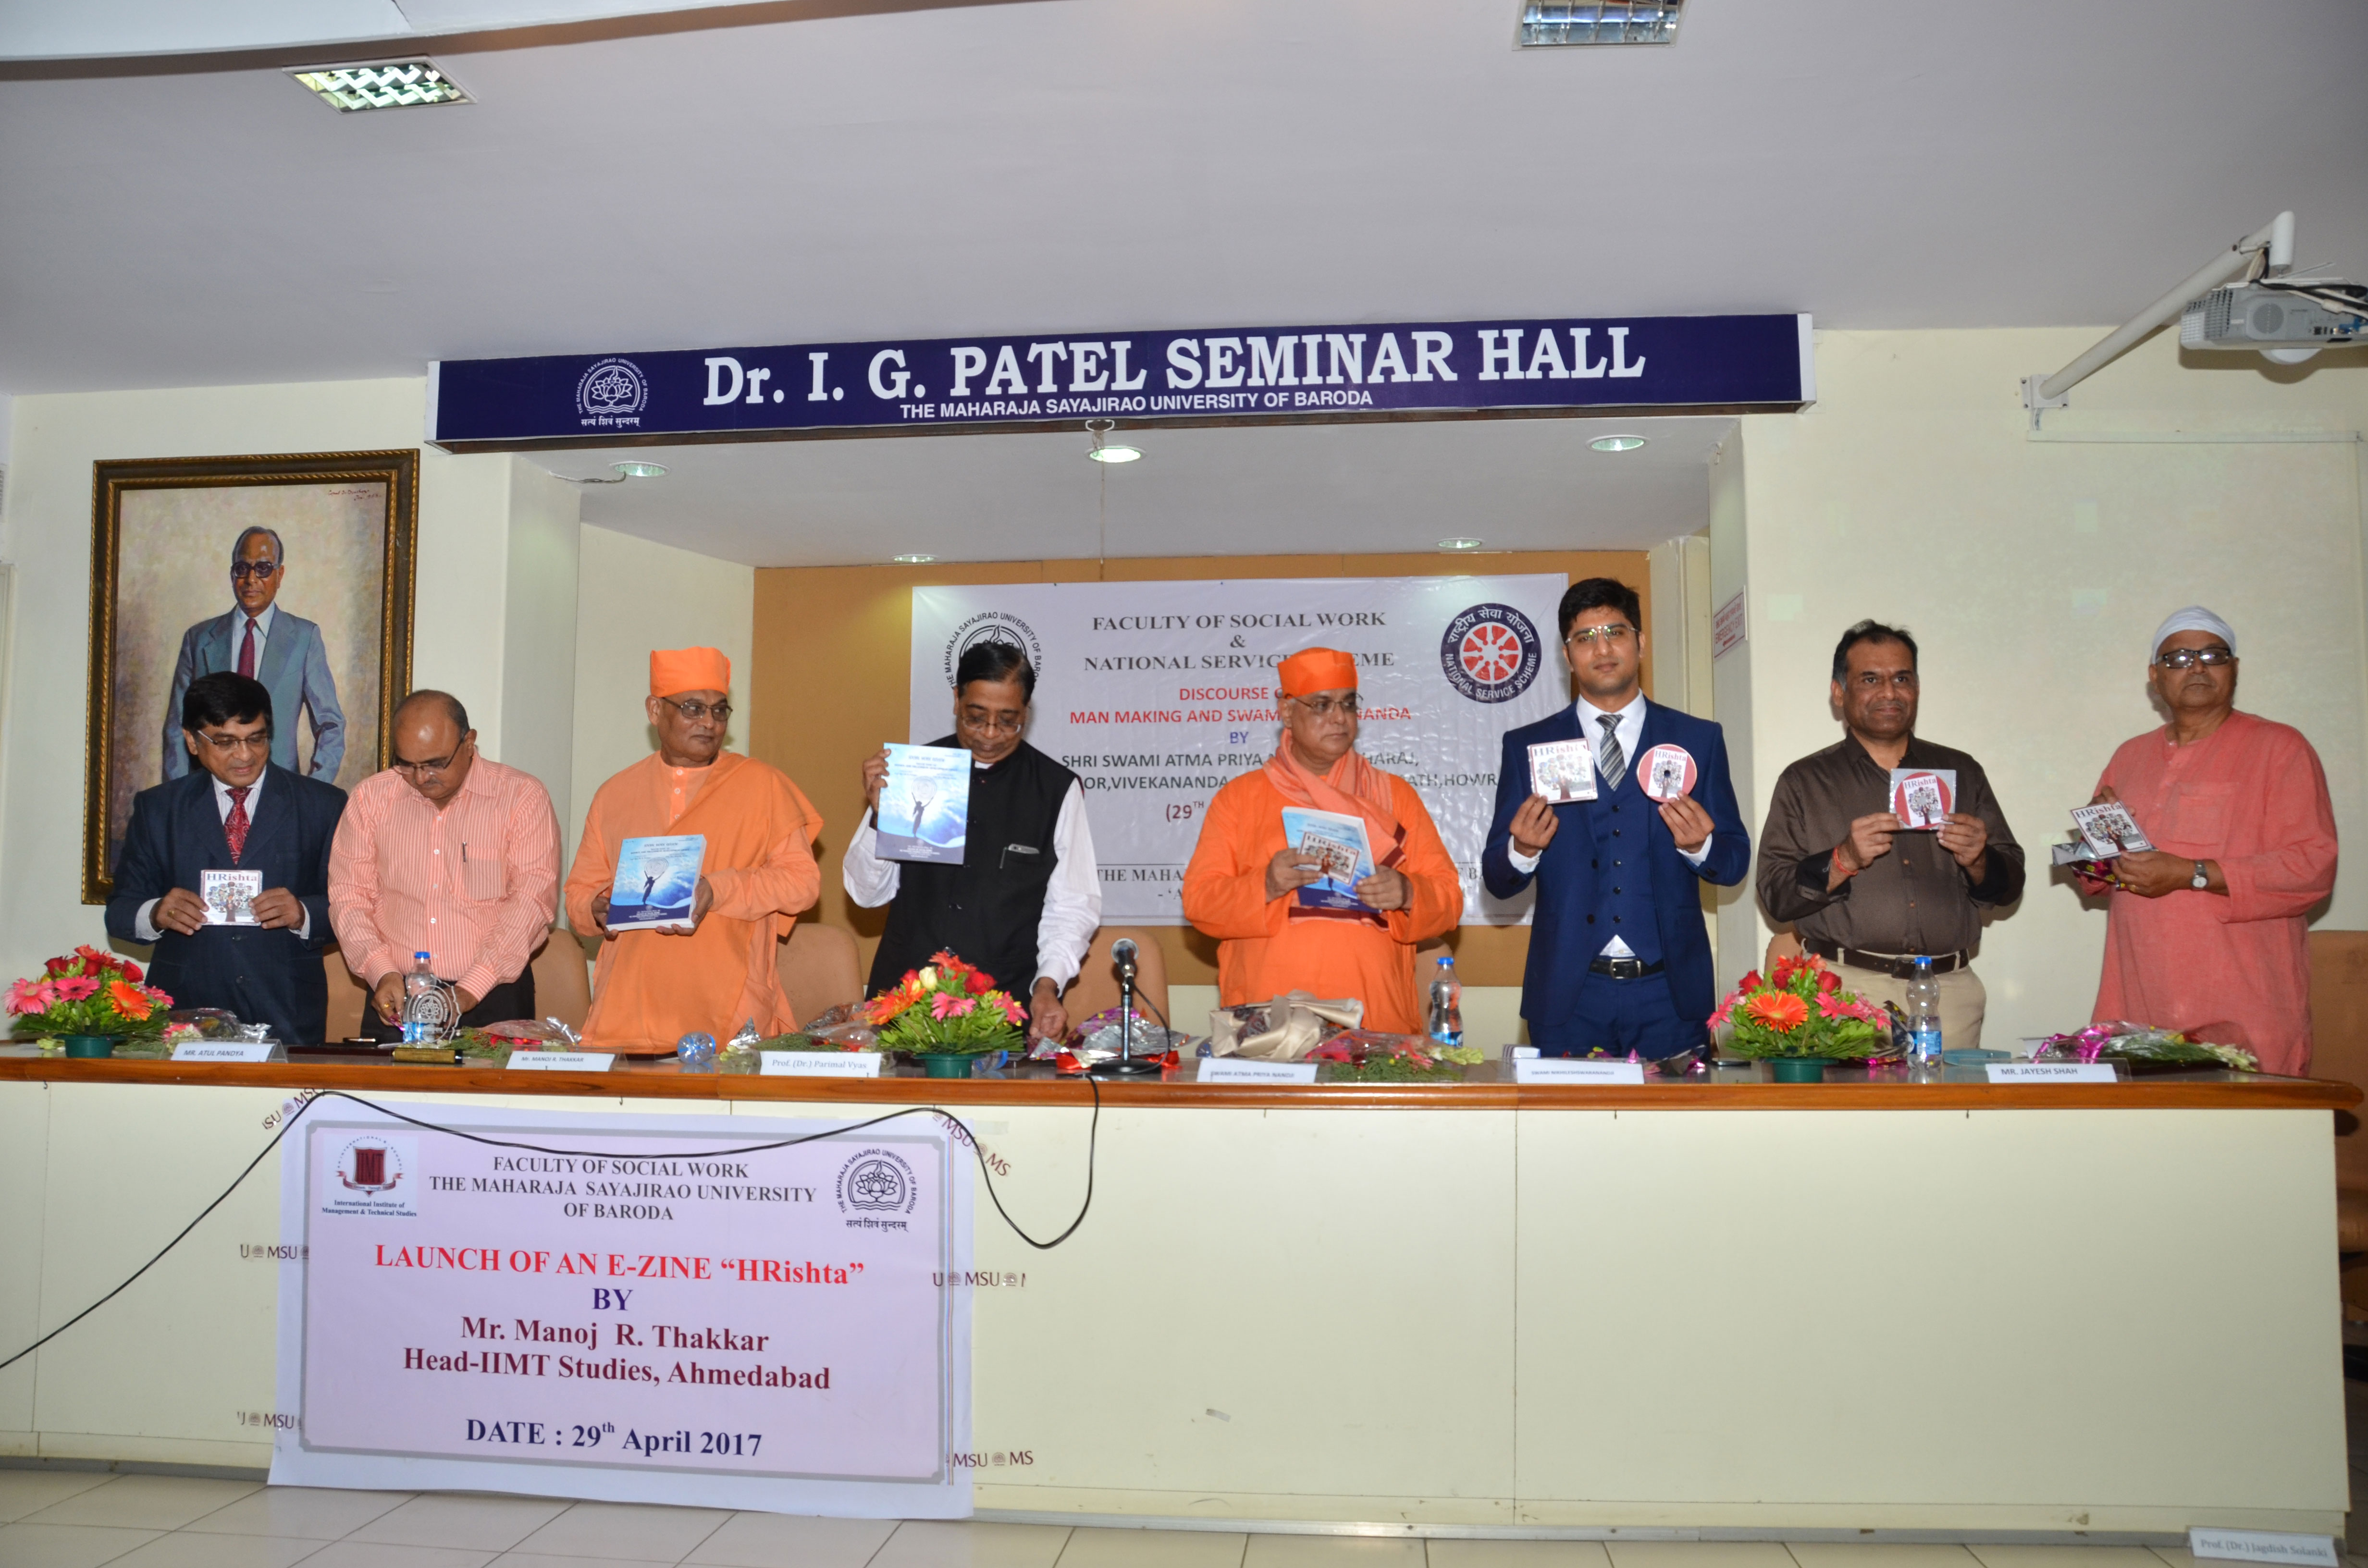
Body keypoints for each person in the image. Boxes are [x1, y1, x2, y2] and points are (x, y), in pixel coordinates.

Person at [1481, 578, 1750, 1057]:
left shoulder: (1697, 739)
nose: (1601, 649)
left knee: (1676, 1112)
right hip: (1569, 996)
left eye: (1615, 633)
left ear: (1640, 643)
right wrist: (1521, 851)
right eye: (1584, 638)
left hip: (1670, 996)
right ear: (1568, 656)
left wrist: (1699, 846)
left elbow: (1733, 863)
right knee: (1565, 1113)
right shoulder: (1527, 746)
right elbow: (1497, 881)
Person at [2081, 607, 2337, 1076]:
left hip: (2244, 1008)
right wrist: (2095, 839)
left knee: (2247, 1123)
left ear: (2233, 668)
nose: (2196, 667)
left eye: (2212, 655)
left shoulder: (2281, 748)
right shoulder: (2129, 756)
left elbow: (2311, 867)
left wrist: (2191, 873)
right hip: (2139, 1003)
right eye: (2178, 658)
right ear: (2155, 677)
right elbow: (2094, 880)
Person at [1756, 620, 2023, 1048]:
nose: (1889, 692)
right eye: (1870, 679)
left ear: (1917, 688)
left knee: (1950, 1097)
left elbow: (2010, 886)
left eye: (1902, 679)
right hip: (1844, 992)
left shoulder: (1962, 771)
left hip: (1948, 993)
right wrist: (1843, 860)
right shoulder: (1804, 780)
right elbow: (1775, 894)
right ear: (1839, 692)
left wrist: (1979, 861)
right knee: (1851, 1098)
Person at [1181, 647, 1461, 1033]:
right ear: (1286, 712)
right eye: (1321, 705)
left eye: (1348, 704)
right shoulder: (1239, 799)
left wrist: (1408, 892)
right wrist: (1265, 885)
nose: (1339, 717)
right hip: (1270, 1021)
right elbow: (1199, 902)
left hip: (1374, 1017)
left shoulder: (1395, 795)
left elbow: (1449, 898)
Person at [563, 648, 824, 1051]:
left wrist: (718, 890)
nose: (709, 723)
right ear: (655, 710)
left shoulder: (763, 786)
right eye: (693, 709)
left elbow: (803, 884)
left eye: (720, 711)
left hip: (728, 1012)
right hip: (628, 1012)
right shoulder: (615, 794)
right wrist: (596, 908)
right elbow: (578, 894)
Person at [846, 641, 1101, 1040]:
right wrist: (881, 818)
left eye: (1008, 721)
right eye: (976, 718)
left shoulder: (1055, 789)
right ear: (956, 700)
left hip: (1002, 1009)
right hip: (905, 1005)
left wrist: (1048, 985)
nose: (990, 734)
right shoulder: (912, 773)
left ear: (1026, 712)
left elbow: (1072, 905)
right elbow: (866, 895)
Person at [105, 672, 346, 1042]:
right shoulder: (159, 809)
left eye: (256, 739)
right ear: (192, 740)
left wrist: (303, 913)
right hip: (185, 1013)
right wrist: (155, 913)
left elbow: (353, 908)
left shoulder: (322, 805)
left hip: (287, 1010)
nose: (245, 755)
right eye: (225, 742)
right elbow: (120, 913)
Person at [327, 690, 563, 1041]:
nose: (421, 778)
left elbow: (531, 901)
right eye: (408, 765)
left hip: (492, 995)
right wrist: (380, 971)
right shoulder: (371, 799)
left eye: (435, 764)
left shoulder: (520, 798)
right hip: (398, 996)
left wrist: (470, 988)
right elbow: (349, 897)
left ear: (469, 743)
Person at [165, 527, 345, 783]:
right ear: (232, 575)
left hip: (279, 789)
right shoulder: (199, 639)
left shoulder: (304, 638)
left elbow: (330, 725)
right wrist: (180, 796)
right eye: (242, 568)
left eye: (263, 568)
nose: (251, 579)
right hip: (208, 789)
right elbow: (177, 728)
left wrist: (313, 791)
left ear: (280, 575)